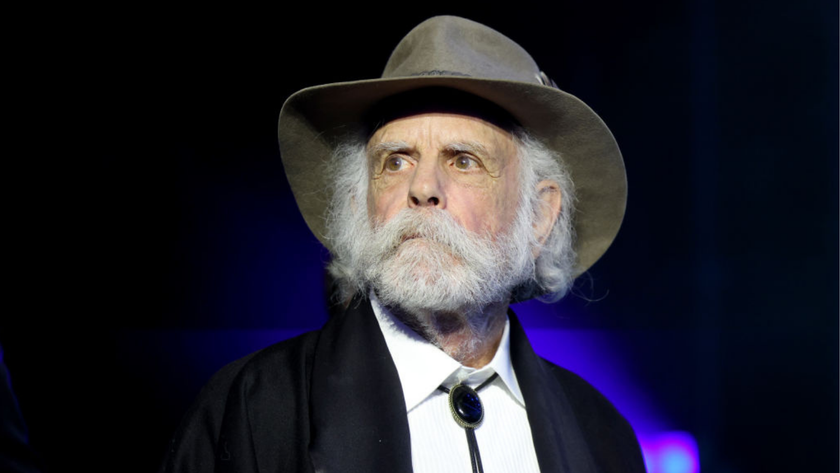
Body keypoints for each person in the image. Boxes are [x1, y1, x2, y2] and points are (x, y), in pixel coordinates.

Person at [160, 16, 646, 473]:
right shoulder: (251, 409)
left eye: (463, 160)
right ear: (359, 206)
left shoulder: (602, 436)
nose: (422, 186)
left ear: (539, 217)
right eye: (395, 161)